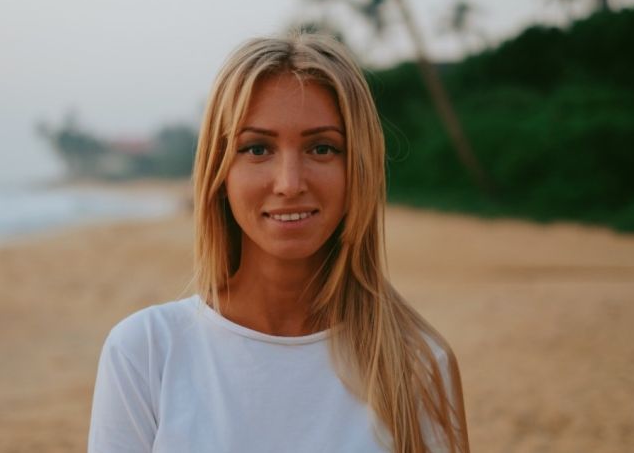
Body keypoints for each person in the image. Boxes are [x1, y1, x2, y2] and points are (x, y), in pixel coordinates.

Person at [88, 33, 469, 453]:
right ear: (220, 172)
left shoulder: (416, 363)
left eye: (322, 148)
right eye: (257, 149)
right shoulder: (145, 352)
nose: (289, 183)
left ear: (358, 169)